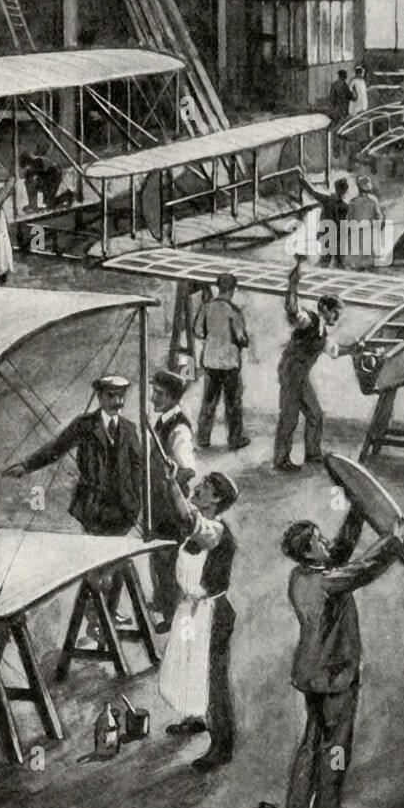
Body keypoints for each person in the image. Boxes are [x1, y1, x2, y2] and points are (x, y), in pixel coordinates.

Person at [282, 503, 404, 808]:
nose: (326, 544)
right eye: (319, 540)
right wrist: (393, 540)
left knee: (311, 740)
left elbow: (339, 553)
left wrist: (357, 511)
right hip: (336, 677)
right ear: (310, 551)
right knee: (336, 746)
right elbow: (363, 569)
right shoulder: (328, 583)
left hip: (310, 675)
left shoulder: (300, 577)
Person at [158, 471, 241, 772]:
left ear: (216, 499)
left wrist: (170, 483)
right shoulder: (202, 527)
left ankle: (223, 745)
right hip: (192, 608)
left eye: (204, 487)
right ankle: (194, 719)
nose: (197, 488)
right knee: (185, 664)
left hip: (212, 612)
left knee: (213, 679)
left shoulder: (213, 530)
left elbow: (187, 519)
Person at [3, 375, 143, 535]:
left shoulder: (129, 429)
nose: (118, 402)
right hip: (92, 506)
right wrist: (27, 466)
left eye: (121, 396)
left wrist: (133, 501)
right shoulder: (84, 425)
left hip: (123, 509)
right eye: (111, 396)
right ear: (99, 396)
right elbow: (57, 449)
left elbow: (138, 466)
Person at [273, 259, 356, 473]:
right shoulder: (310, 321)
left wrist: (356, 349)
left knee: (315, 414)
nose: (337, 317)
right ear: (325, 309)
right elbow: (292, 309)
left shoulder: (322, 331)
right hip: (291, 374)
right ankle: (281, 460)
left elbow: (334, 351)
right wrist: (292, 285)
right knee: (289, 417)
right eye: (335, 312)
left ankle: (312, 453)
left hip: (300, 376)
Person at [148, 368, 198, 631]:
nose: (153, 398)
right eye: (154, 392)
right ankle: (162, 602)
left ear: (173, 398)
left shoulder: (179, 428)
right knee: (158, 557)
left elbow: (188, 468)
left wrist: (170, 482)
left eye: (159, 394)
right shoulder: (162, 420)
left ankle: (170, 615)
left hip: (169, 506)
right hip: (158, 503)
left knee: (166, 559)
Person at [194, 274, 250, 449]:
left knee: (208, 401)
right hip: (229, 363)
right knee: (233, 403)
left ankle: (203, 438)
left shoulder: (206, 307)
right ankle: (235, 439)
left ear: (218, 287)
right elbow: (241, 338)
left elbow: (198, 332)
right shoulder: (234, 310)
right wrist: (244, 341)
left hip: (211, 361)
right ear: (233, 290)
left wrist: (212, 336)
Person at [300, 175, 350, 267]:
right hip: (339, 237)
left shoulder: (327, 200)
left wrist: (304, 181)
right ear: (345, 191)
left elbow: (313, 192)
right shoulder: (345, 206)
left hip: (327, 234)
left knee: (324, 261)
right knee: (339, 263)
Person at [345, 173, 384, 270]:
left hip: (357, 232)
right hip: (370, 231)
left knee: (358, 255)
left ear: (358, 188)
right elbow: (378, 216)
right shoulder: (373, 200)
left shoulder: (353, 202)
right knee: (370, 255)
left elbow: (349, 219)